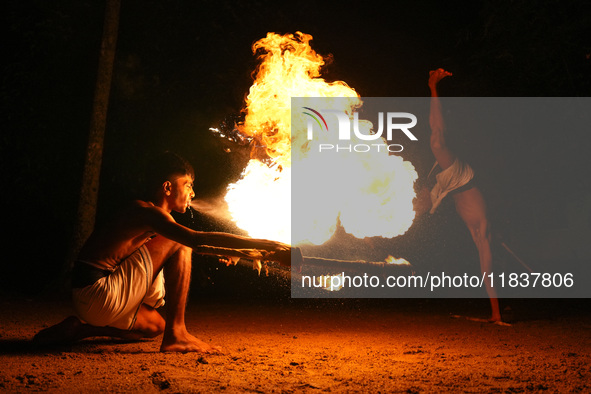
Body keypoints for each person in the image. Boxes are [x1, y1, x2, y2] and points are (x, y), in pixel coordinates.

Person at [34, 151, 291, 352]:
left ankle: (82, 329)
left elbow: (193, 249)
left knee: (155, 326)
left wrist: (250, 255)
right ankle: (177, 334)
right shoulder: (145, 212)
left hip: (95, 301)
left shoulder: (155, 224)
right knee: (181, 242)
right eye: (188, 184)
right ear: (167, 188)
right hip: (99, 290)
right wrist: (271, 246)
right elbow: (194, 241)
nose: (193, 192)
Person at [417, 68, 501, 322]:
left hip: (449, 187)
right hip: (462, 179)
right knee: (437, 140)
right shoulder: (483, 229)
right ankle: (433, 87)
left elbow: (488, 275)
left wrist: (495, 315)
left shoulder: (480, 236)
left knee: (418, 209)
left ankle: (495, 313)